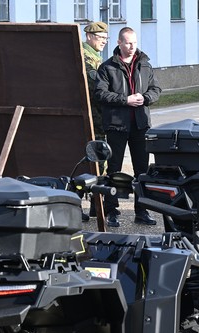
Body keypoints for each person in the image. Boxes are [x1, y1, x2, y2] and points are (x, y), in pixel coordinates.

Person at [95, 26, 161, 227]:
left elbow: (156, 89)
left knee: (141, 169)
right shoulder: (107, 67)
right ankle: (112, 211)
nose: (132, 47)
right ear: (119, 43)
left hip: (140, 125)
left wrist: (145, 97)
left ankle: (141, 211)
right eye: (127, 43)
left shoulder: (145, 65)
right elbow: (100, 94)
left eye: (134, 42)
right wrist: (126, 100)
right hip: (117, 125)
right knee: (113, 168)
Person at [81, 21, 109, 221]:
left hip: (98, 120)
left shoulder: (96, 58)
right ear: (89, 36)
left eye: (106, 39)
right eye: (101, 38)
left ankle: (94, 206)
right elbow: (96, 88)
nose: (104, 42)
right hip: (90, 120)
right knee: (89, 162)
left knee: (99, 162)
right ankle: (78, 204)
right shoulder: (86, 58)